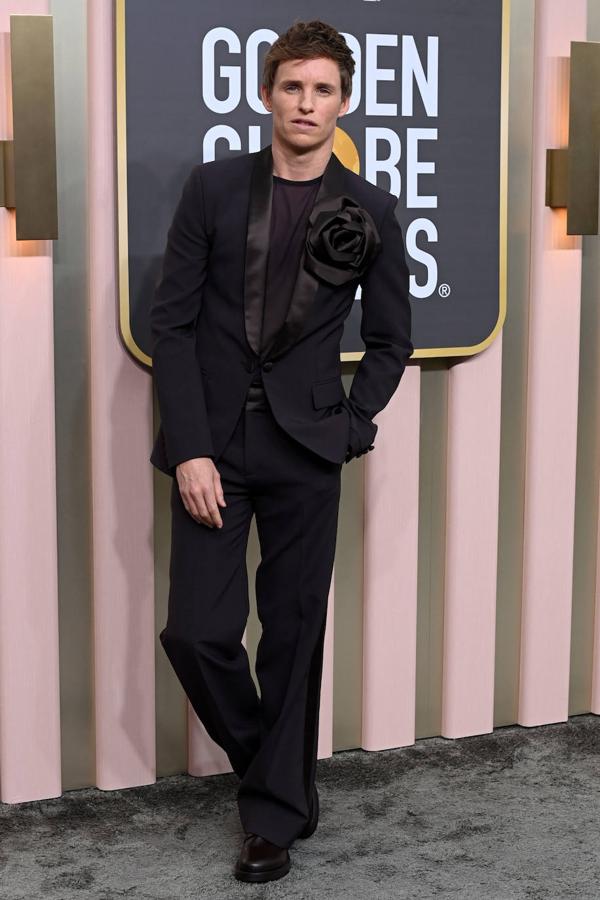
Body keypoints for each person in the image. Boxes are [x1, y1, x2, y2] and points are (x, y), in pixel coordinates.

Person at [149, 18, 413, 884]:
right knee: (197, 632)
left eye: (323, 90)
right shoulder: (214, 188)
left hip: (308, 451)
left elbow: (391, 341)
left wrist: (352, 426)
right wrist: (191, 450)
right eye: (293, 86)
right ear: (266, 93)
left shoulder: (372, 210)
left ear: (344, 102)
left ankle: (270, 820)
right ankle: (281, 772)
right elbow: (172, 326)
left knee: (294, 639)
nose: (306, 103)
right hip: (215, 450)